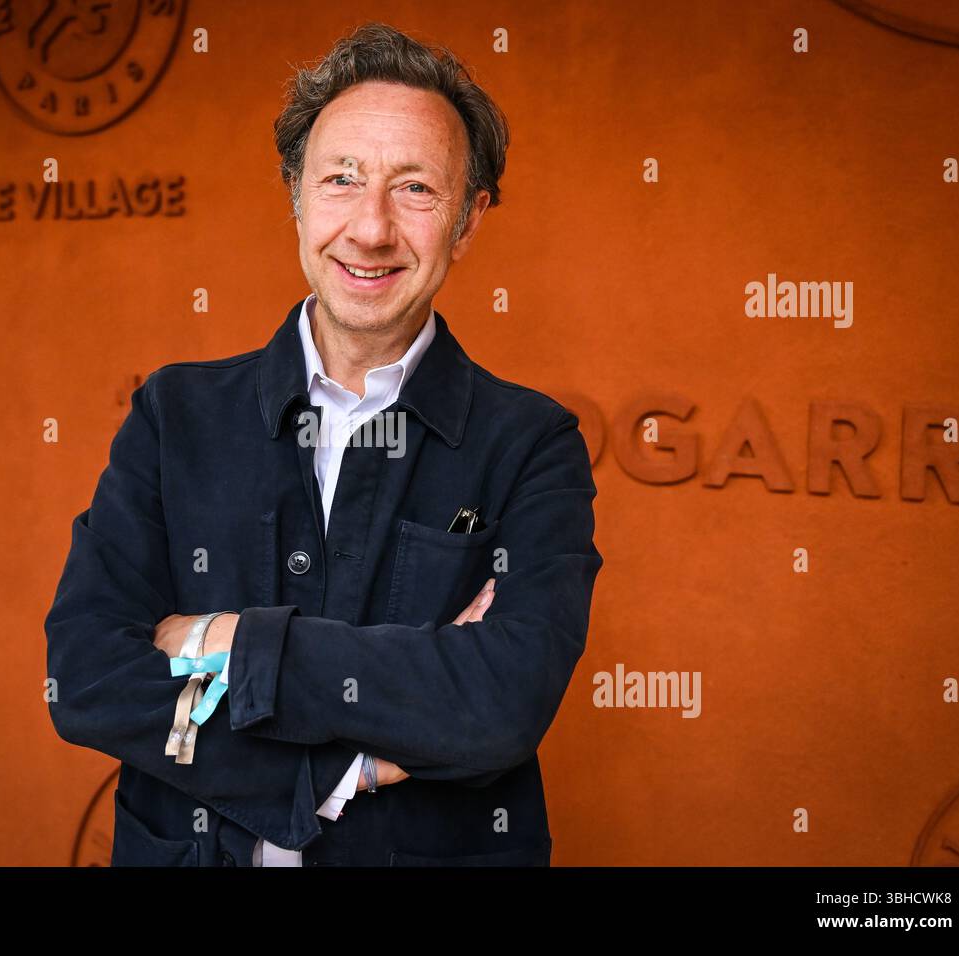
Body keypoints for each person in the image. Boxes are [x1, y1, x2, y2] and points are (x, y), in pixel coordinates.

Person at [44, 21, 603, 867]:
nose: (371, 229)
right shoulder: (174, 414)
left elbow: (501, 703)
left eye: (415, 189)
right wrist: (339, 770)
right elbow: (87, 677)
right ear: (297, 196)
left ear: (469, 217)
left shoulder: (531, 445)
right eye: (342, 179)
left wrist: (234, 640)